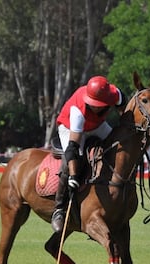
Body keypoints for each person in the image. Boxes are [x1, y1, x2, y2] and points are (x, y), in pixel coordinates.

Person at [51, 75, 125, 232]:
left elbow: (123, 107)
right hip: (70, 127)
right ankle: (59, 210)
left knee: (118, 146)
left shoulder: (114, 94)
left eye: (100, 105)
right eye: (94, 104)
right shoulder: (78, 110)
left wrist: (123, 120)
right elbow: (72, 147)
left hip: (97, 126)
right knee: (72, 160)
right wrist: (73, 175)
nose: (97, 107)